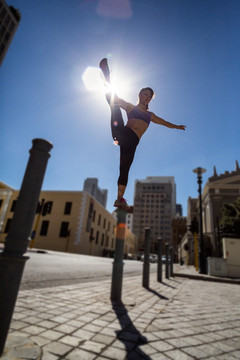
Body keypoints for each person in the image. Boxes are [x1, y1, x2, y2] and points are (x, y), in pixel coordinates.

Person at [99, 58, 186, 211]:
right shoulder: (131, 107)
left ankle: (119, 199)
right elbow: (116, 99)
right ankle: (106, 74)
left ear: (150, 99)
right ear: (139, 95)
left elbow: (164, 122)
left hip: (132, 143)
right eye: (144, 93)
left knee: (124, 168)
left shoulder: (150, 116)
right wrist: (110, 91)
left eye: (149, 95)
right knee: (114, 104)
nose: (146, 96)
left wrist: (177, 126)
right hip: (122, 133)